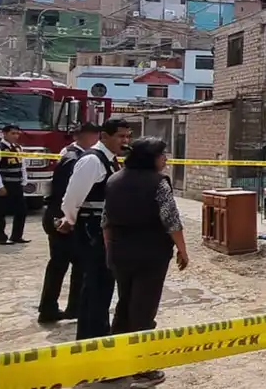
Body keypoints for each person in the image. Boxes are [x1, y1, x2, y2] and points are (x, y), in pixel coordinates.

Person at [103, 137, 188, 388]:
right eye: (163, 155)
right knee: (143, 310)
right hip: (150, 254)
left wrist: (110, 249)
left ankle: (113, 364)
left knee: (124, 304)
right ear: (151, 158)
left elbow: (106, 220)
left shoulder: (114, 179)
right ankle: (141, 369)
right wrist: (183, 250)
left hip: (120, 251)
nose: (166, 160)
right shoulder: (158, 183)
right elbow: (171, 220)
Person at [57, 118, 132, 341]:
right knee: (96, 283)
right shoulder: (92, 160)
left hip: (104, 231)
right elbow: (72, 196)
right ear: (105, 136)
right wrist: (69, 219)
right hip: (91, 230)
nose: (125, 141)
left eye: (128, 136)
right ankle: (92, 334)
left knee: (101, 284)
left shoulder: (111, 160)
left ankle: (96, 331)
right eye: (120, 136)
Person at [37, 122, 99, 324]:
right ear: (89, 137)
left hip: (58, 215)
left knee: (65, 265)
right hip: (62, 218)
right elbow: (69, 194)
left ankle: (67, 307)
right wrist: (69, 218)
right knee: (66, 264)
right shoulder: (75, 159)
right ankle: (56, 308)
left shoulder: (70, 154)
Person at [0, 124, 30, 245]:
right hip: (5, 184)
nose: (16, 136)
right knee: (1, 212)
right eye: (13, 133)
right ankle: (1, 237)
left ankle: (17, 236)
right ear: (4, 134)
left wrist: (24, 181)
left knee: (22, 211)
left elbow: (22, 166)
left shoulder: (18, 148)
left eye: (17, 133)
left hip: (17, 184)